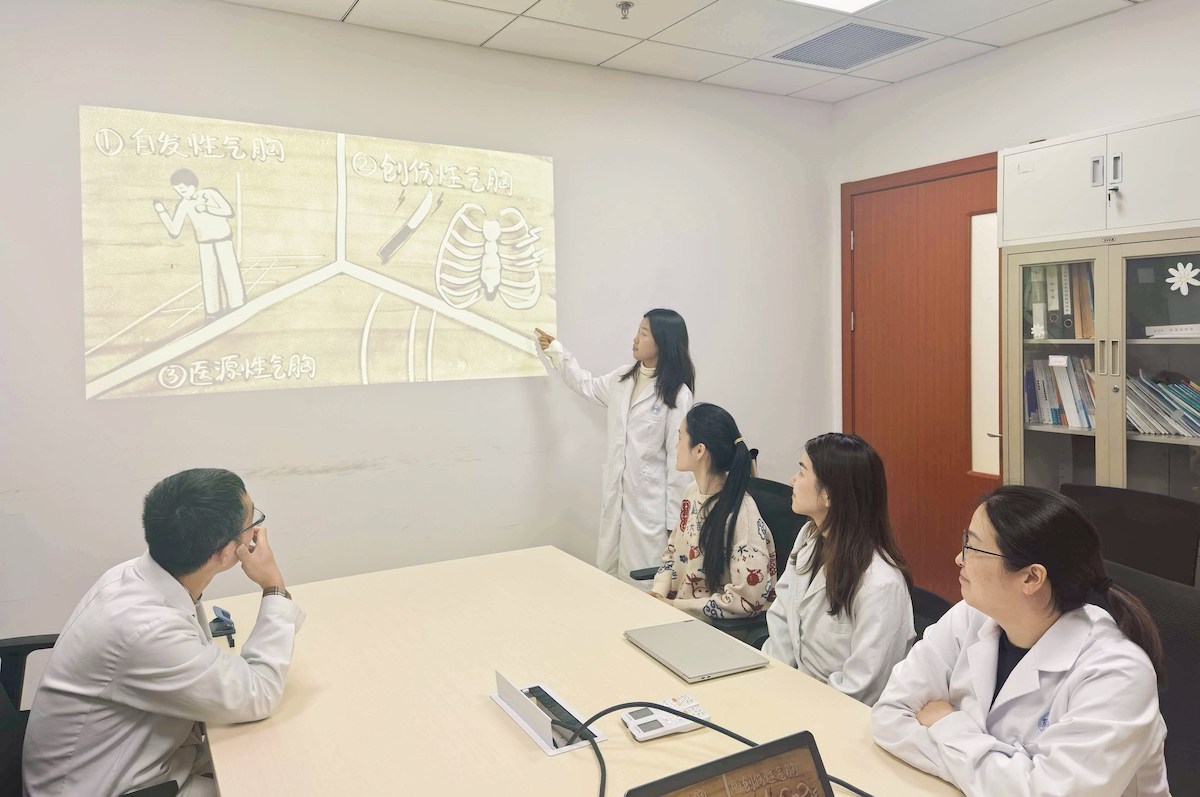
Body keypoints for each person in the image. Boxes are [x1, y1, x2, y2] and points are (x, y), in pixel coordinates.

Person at [22, 468, 305, 797]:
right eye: (252, 523)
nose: (257, 530)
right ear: (228, 552)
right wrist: (273, 586)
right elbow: (259, 694)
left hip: (140, 753)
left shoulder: (131, 575)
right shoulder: (147, 630)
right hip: (110, 788)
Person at [871, 486, 1169, 797]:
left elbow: (1051, 793)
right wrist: (995, 775)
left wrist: (948, 726)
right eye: (965, 541)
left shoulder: (1117, 674)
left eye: (974, 548)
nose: (959, 558)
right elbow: (890, 714)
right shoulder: (972, 616)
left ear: (1031, 578)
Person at [535, 310, 695, 588]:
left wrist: (676, 524)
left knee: (645, 582)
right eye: (638, 331)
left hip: (650, 509)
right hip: (617, 497)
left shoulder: (677, 395)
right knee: (608, 576)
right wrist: (557, 352)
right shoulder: (622, 379)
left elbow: (679, 463)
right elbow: (585, 385)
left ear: (663, 342)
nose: (635, 339)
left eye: (643, 333)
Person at [763, 433, 914, 706]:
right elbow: (782, 616)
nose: (792, 480)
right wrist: (771, 683)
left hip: (836, 712)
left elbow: (862, 689)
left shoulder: (880, 583)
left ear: (829, 494)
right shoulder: (809, 536)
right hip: (790, 692)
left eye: (802, 472)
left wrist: (796, 702)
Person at [649, 402, 776, 620]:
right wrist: (658, 593)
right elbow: (672, 554)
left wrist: (673, 606)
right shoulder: (692, 492)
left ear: (699, 450)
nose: (676, 446)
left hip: (714, 629)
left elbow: (748, 599)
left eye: (680, 437)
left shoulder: (742, 514)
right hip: (675, 615)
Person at [153, 169, 246, 323]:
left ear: (192, 185)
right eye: (178, 191)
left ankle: (237, 304)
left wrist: (207, 208)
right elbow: (174, 231)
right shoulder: (184, 204)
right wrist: (162, 212)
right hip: (204, 242)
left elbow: (228, 211)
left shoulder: (210, 193)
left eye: (183, 189)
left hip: (223, 239)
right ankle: (213, 311)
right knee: (209, 277)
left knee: (229, 270)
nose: (181, 193)